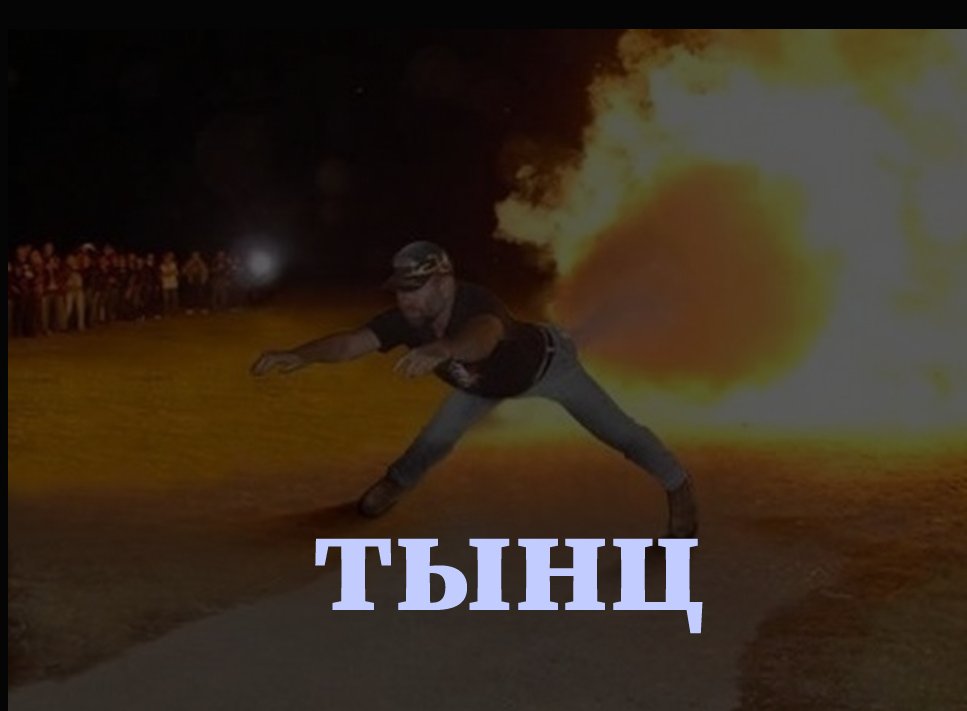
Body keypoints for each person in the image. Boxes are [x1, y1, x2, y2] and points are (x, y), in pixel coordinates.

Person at [250, 241, 697, 537]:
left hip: (549, 366)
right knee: (433, 440)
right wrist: (300, 355)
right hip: (482, 385)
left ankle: (678, 487)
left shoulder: (477, 304)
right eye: (400, 289)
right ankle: (393, 485)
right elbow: (351, 343)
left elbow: (483, 337)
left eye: (415, 288)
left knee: (619, 433)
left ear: (444, 282)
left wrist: (443, 349)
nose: (405, 299)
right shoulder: (407, 320)